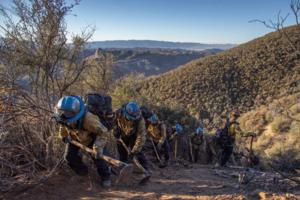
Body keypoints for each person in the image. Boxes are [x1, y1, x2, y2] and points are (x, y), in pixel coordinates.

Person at [54, 96, 111, 187]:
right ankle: (83, 172)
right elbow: (63, 126)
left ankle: (106, 177)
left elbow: (103, 132)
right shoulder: (63, 116)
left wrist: (98, 147)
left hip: (92, 139)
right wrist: (63, 136)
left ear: (75, 112)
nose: (65, 114)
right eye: (63, 111)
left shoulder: (89, 119)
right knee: (69, 157)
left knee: (98, 159)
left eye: (68, 112)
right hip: (75, 138)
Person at [114, 102, 151, 179]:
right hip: (122, 134)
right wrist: (115, 130)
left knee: (138, 153)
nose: (131, 120)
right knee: (122, 153)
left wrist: (134, 150)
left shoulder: (140, 121)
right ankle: (124, 169)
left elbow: (141, 137)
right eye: (130, 118)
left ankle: (146, 170)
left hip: (134, 135)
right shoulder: (118, 112)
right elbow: (112, 121)